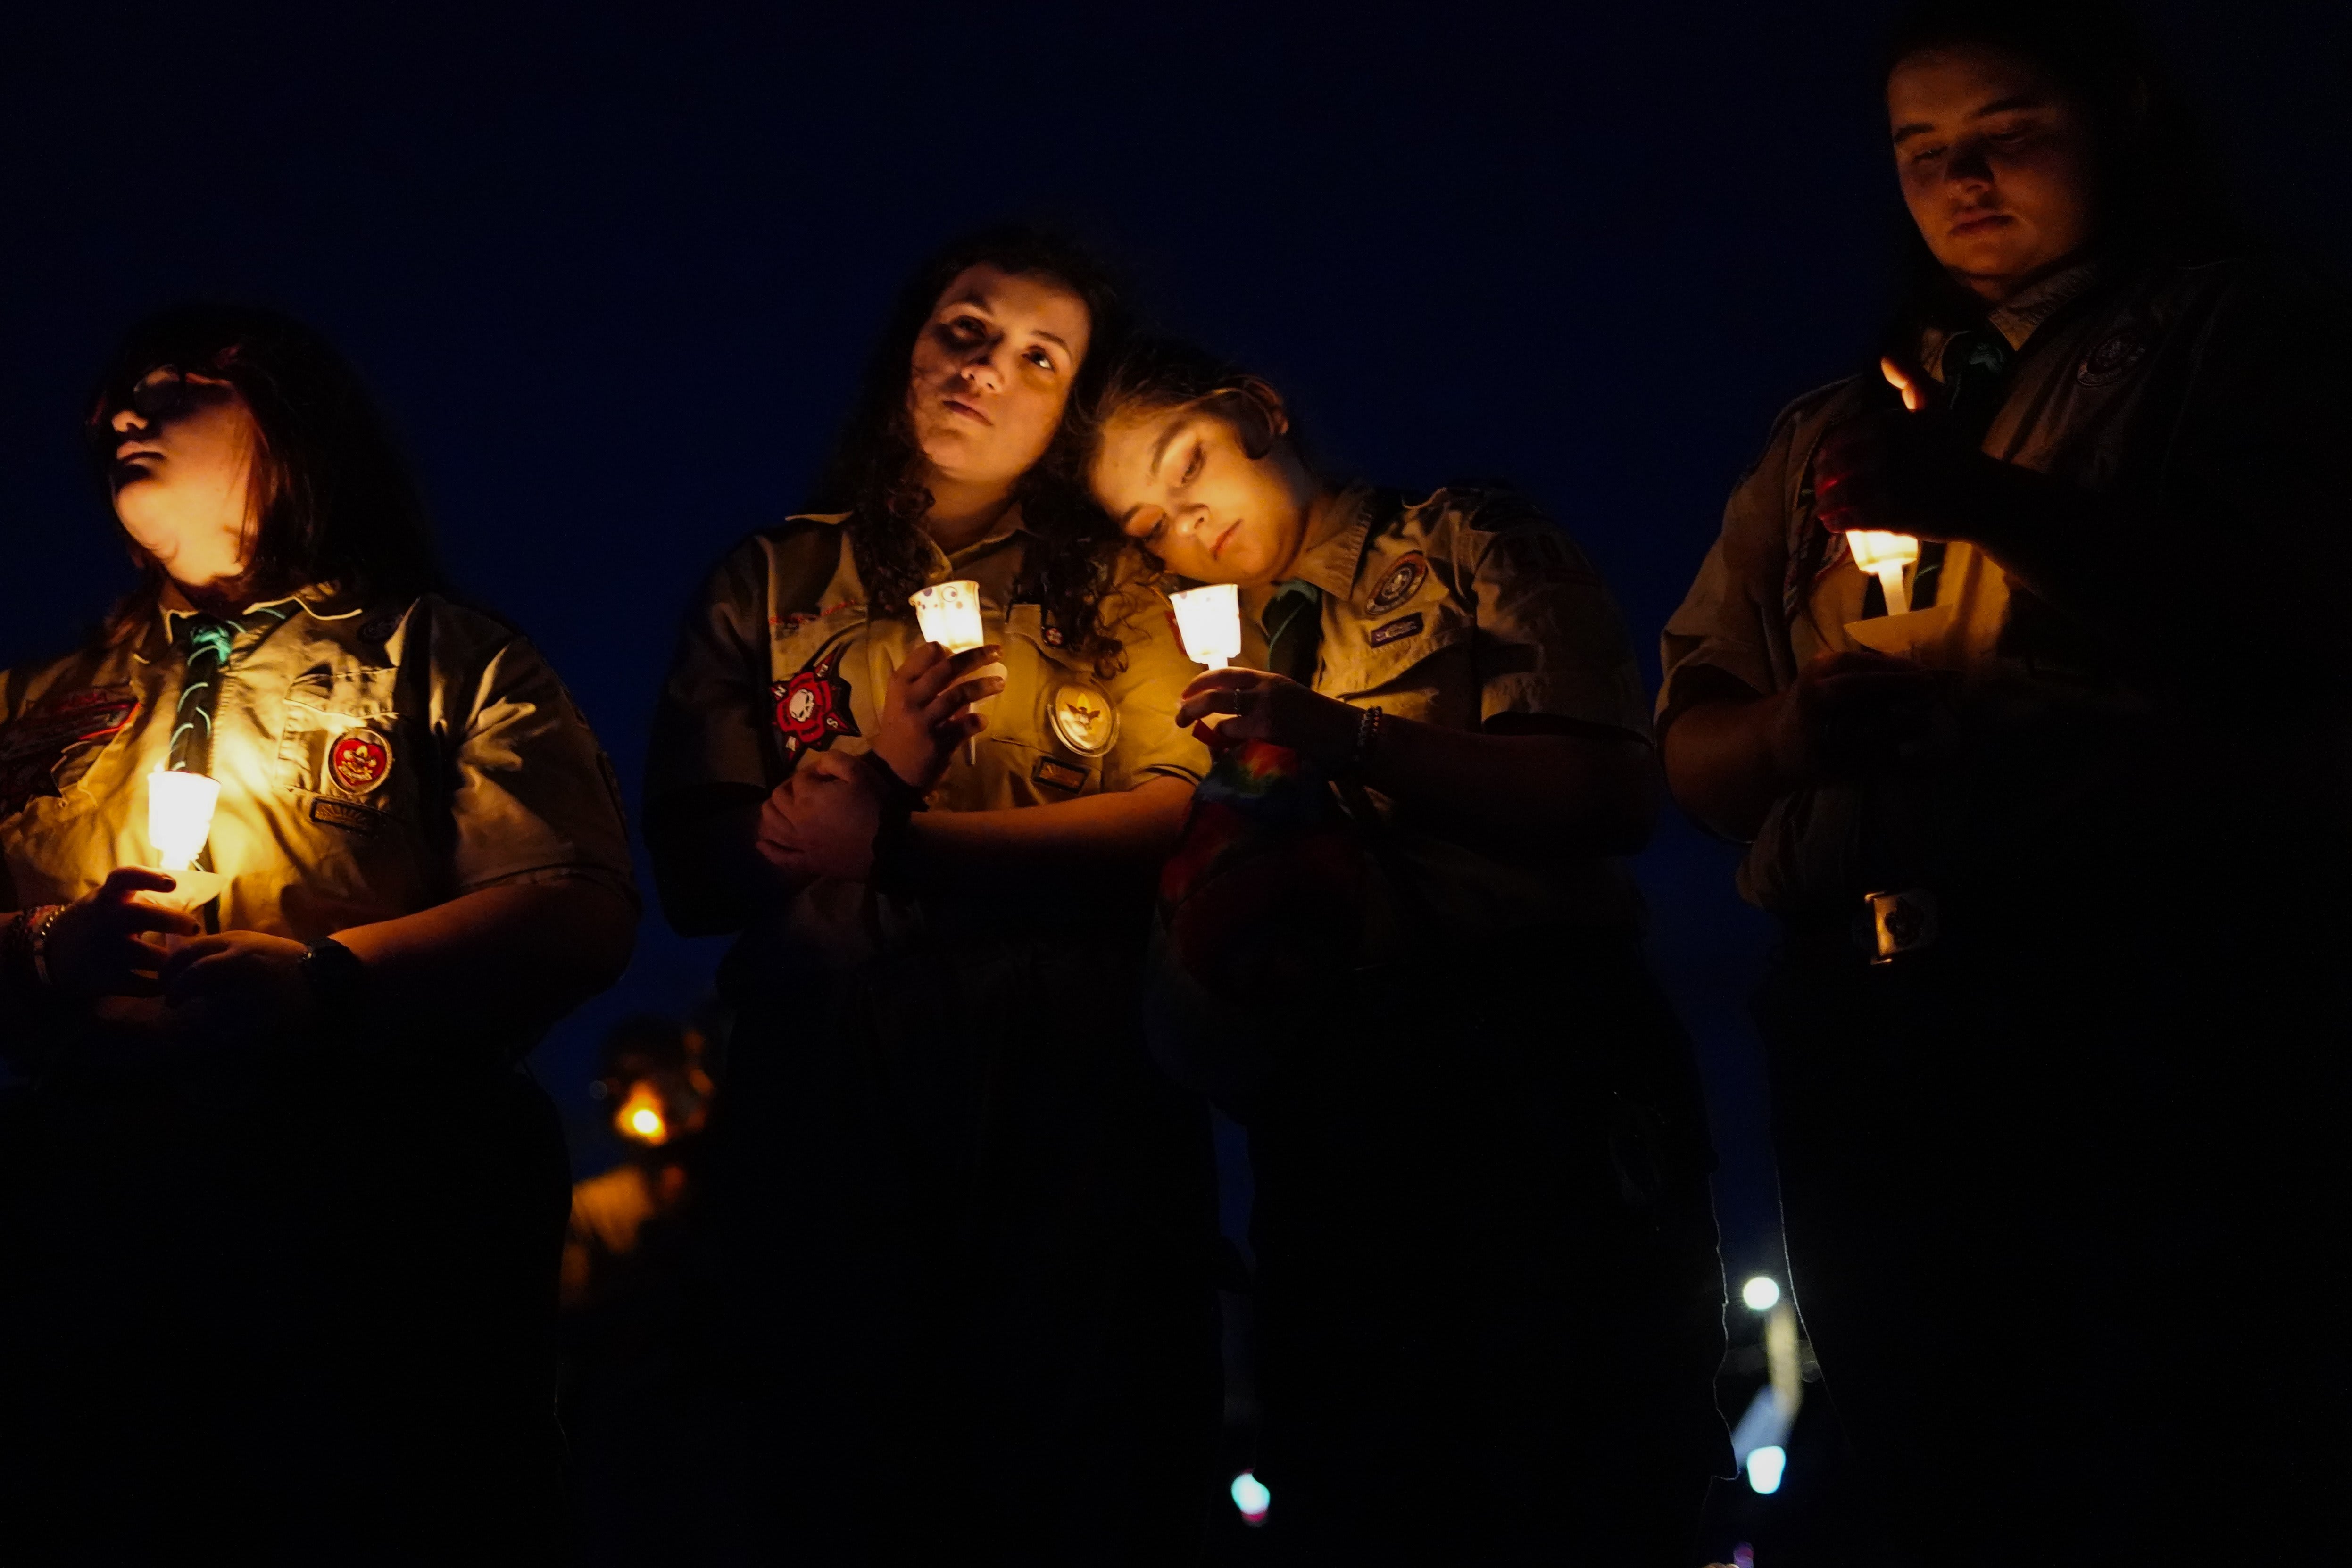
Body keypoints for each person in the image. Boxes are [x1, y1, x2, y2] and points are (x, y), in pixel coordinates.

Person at [1656, 2, 2352, 1560]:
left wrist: (1987, 506)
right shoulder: (1827, 431)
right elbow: (1693, 741)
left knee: (2167, 1427)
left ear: (2118, 120)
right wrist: (1789, 741)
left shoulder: (2245, 340)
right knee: (1929, 1438)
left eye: (2006, 133)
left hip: (2146, 981)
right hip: (1864, 1015)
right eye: (1921, 153)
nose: (1960, 178)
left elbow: (2292, 620)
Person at [0, 305, 637, 1561]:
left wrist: (330, 980)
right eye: (119, 399)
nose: (125, 411)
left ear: (289, 429)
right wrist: (44, 949)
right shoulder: (33, 703)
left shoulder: (441, 658)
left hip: (372, 1198)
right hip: (95, 1206)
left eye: (177, 387)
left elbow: (574, 903)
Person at [1086, 337, 1729, 1566]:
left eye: (1191, 465)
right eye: (1146, 518)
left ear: (1259, 409)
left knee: (1584, 1473)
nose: (1186, 522)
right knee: (1366, 1482)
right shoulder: (1182, 655)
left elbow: (1605, 795)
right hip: (1331, 1109)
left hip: (1535, 1065)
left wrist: (1347, 741)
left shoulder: (1459, 539)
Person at [643, 228, 1219, 1564]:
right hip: (830, 1094)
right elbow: (692, 870)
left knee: (1079, 1471)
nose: (985, 370)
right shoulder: (771, 580)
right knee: (842, 1469)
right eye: (963, 327)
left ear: (1076, 402)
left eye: (1038, 355)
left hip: (1073, 1092)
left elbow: (1179, 813)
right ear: (907, 340)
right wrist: (826, 815)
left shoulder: (1128, 592)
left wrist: (894, 841)